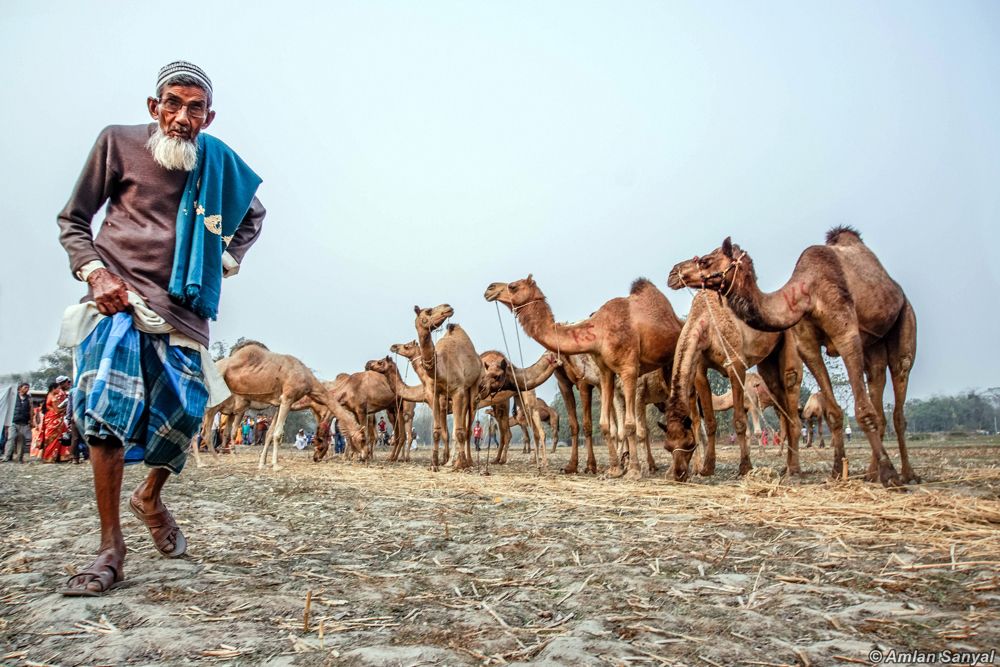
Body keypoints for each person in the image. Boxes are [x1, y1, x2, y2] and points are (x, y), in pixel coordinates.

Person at [56, 61, 265, 596]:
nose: (182, 116)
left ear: (208, 117)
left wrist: (220, 261)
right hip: (117, 299)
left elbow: (254, 215)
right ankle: (110, 547)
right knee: (104, 409)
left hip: (183, 308)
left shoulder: (218, 164)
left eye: (195, 108)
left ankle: (149, 496)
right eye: (172, 103)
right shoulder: (118, 143)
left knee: (183, 417)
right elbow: (73, 220)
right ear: (154, 108)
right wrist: (96, 272)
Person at [41, 377, 73, 463]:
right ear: (53, 389)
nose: (59, 390)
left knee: (50, 438)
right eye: (58, 388)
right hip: (55, 419)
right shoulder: (54, 398)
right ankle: (53, 456)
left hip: (50, 419)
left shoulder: (49, 396)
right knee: (55, 439)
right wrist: (67, 407)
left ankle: (48, 456)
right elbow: (57, 410)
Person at [4, 382, 33, 463]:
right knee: (11, 438)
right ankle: (7, 456)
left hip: (24, 422)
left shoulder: (29, 398)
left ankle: (19, 458)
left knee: (22, 440)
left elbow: (31, 410)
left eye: (28, 388)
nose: (27, 389)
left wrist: (31, 420)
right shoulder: (13, 397)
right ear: (20, 388)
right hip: (13, 421)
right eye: (25, 387)